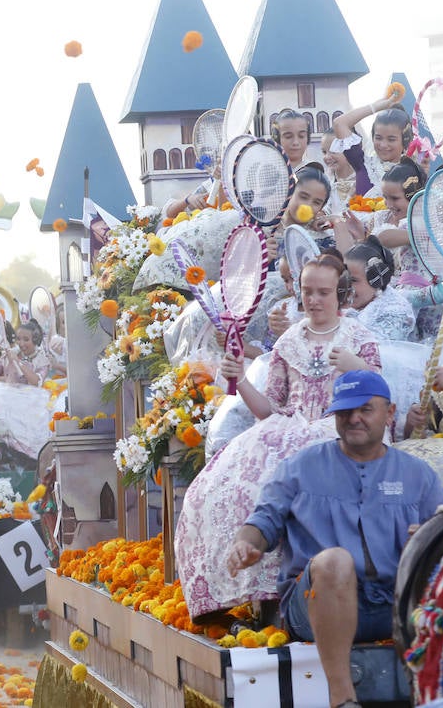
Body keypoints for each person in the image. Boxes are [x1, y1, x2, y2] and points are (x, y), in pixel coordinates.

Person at [175, 252, 382, 617]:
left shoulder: (360, 337)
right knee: (229, 483)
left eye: (324, 292)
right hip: (287, 427)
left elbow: (379, 399)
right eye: (307, 292)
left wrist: (358, 368)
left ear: (341, 295)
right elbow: (269, 409)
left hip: (343, 430)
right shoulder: (288, 342)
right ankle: (250, 591)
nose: (314, 301)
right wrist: (238, 379)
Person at [226, 371, 443, 708]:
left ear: (390, 413)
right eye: (345, 412)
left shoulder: (417, 474)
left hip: (395, 605)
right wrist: (246, 544)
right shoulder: (300, 468)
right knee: (334, 561)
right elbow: (262, 521)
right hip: (317, 606)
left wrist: (430, 537)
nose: (354, 419)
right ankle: (343, 698)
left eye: (365, 409)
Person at [327, 93, 410, 198]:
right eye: (378, 138)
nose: (383, 145)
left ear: (404, 140)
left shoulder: (411, 172)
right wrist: (378, 106)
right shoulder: (364, 164)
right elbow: (339, 123)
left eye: (391, 139)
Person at [343, 236, 416, 343]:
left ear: (377, 280)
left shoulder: (395, 313)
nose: (346, 285)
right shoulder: (354, 303)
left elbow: (375, 351)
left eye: (353, 280)